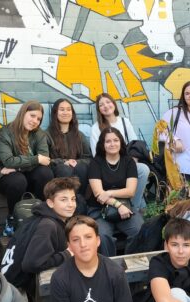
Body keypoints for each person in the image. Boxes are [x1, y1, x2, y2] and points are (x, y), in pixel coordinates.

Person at [2, 177, 78, 302]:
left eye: (73, 199)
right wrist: (66, 254)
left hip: (13, 283)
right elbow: (31, 264)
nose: (70, 204)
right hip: (15, 292)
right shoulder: (47, 225)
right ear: (50, 203)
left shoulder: (44, 218)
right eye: (63, 200)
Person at [0, 100, 54, 237]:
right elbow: (8, 160)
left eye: (38, 119)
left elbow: (44, 160)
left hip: (22, 173)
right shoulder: (5, 132)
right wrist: (35, 159)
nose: (35, 121)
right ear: (23, 113)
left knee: (45, 173)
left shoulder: (39, 134)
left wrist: (18, 167)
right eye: (32, 116)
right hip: (4, 176)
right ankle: (12, 219)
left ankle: (40, 215)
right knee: (18, 180)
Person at [87, 127, 144, 256]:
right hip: (99, 209)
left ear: (121, 142)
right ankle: (108, 264)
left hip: (125, 207)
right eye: (108, 141)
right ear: (102, 144)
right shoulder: (96, 163)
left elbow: (130, 191)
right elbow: (99, 195)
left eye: (115, 140)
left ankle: (133, 261)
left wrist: (109, 193)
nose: (112, 144)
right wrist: (118, 205)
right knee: (102, 235)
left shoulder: (128, 161)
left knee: (139, 229)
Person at [90, 93, 149, 211]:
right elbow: (96, 153)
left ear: (114, 104)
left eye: (108, 102)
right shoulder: (96, 128)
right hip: (107, 165)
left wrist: (132, 160)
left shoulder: (124, 122)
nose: (106, 106)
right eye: (101, 105)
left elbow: (134, 143)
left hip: (126, 162)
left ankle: (134, 206)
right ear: (98, 110)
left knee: (143, 169)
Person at [47, 99, 92, 214]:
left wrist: (77, 162)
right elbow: (45, 159)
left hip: (77, 172)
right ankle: (64, 205)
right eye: (62, 109)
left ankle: (79, 203)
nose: (65, 112)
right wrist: (63, 162)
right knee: (64, 169)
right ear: (55, 113)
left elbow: (88, 158)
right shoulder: (47, 135)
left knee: (82, 167)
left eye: (68, 109)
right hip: (57, 172)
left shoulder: (79, 135)